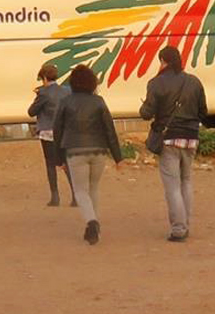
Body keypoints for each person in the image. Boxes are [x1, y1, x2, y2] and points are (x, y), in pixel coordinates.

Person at [138, 45, 206, 242]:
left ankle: (178, 228)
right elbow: (203, 111)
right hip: (191, 137)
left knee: (172, 186)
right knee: (186, 181)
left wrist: (145, 106)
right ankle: (186, 224)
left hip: (168, 139)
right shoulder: (194, 82)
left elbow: (146, 113)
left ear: (163, 61)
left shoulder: (156, 83)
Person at [50, 64, 122, 244]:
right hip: (99, 150)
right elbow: (109, 130)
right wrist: (118, 156)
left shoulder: (65, 102)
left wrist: (58, 158)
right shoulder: (99, 101)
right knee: (93, 188)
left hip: (75, 151)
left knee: (80, 190)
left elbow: (57, 130)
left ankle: (92, 222)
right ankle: (95, 228)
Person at [28, 63, 73, 206]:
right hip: (65, 131)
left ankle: (55, 197)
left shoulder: (43, 93)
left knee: (50, 164)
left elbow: (31, 111)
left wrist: (38, 96)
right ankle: (76, 196)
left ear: (45, 77)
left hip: (48, 132)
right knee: (66, 163)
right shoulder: (66, 91)